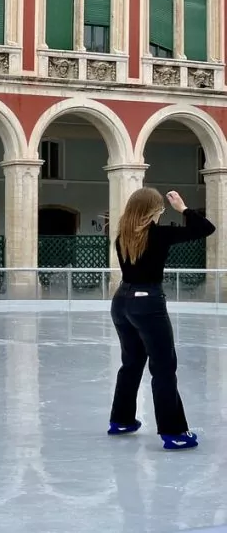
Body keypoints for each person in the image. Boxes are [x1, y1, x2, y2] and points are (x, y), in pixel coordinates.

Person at [108, 189, 214, 450]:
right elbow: (205, 228)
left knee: (131, 364)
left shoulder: (122, 235)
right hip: (148, 304)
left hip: (121, 301)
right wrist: (183, 209)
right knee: (164, 368)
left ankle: (121, 421)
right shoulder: (159, 234)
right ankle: (174, 432)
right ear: (155, 210)